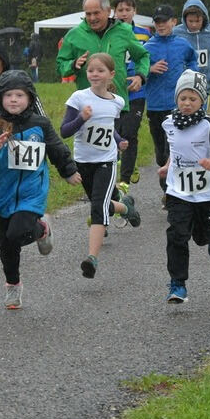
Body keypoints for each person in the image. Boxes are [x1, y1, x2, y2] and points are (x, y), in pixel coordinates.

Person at [0, 70, 79, 309]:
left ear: (29, 98)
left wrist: (68, 170)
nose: (14, 100)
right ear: (0, 99)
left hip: (31, 193)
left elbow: (57, 148)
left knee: (17, 233)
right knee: (7, 245)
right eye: (8, 95)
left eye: (19, 95)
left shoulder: (40, 124)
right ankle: (13, 286)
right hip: (3, 194)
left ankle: (40, 228)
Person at [60, 53, 141, 279]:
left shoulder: (117, 102)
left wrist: (118, 140)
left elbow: (108, 127)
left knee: (98, 207)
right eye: (91, 70)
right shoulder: (78, 98)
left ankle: (91, 259)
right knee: (104, 204)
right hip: (83, 162)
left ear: (111, 75)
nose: (94, 74)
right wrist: (81, 119)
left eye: (100, 70)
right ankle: (126, 207)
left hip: (106, 161)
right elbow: (64, 131)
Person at [158, 70, 210, 303]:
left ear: (202, 101)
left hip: (203, 193)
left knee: (200, 237)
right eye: (183, 98)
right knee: (177, 234)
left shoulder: (208, 126)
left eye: (192, 99)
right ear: (177, 99)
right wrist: (167, 165)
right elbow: (176, 148)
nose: (187, 103)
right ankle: (177, 284)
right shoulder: (169, 123)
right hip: (178, 190)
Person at [56, 0, 150, 113]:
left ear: (108, 11)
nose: (92, 18)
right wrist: (73, 65)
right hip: (88, 108)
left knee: (125, 133)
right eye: (88, 14)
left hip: (118, 103)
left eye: (96, 13)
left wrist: (140, 76)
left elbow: (143, 56)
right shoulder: (74, 35)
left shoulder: (124, 31)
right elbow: (60, 66)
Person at [143, 4, 199, 202]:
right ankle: (167, 190)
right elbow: (136, 70)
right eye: (157, 22)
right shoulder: (147, 47)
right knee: (160, 154)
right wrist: (150, 68)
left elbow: (193, 61)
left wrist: (189, 75)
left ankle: (173, 195)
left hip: (177, 107)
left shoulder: (183, 44)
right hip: (156, 106)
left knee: (173, 150)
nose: (160, 25)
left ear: (174, 22)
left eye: (164, 21)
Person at [112, 0, 151, 189]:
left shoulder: (144, 33)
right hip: (114, 91)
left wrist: (143, 74)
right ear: (114, 12)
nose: (124, 13)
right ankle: (117, 169)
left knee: (129, 132)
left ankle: (124, 180)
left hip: (137, 92)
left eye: (128, 9)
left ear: (135, 11)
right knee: (113, 132)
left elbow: (147, 56)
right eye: (120, 10)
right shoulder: (109, 33)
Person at [172, 0, 210, 112]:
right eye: (190, 21)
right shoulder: (176, 33)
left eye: (197, 21)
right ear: (184, 19)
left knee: (200, 120)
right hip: (181, 85)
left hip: (204, 85)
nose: (194, 25)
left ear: (204, 18)